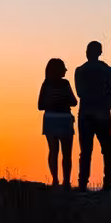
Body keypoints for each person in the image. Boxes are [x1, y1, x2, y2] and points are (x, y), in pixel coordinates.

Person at [74, 41, 111, 191]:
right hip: (102, 114)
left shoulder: (80, 71)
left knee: (86, 151)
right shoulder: (108, 70)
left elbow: (80, 93)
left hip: (86, 115)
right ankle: (107, 183)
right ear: (100, 53)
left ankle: (83, 183)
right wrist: (108, 102)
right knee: (107, 150)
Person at [38, 58, 78, 188]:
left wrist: (52, 103)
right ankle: (66, 182)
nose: (66, 70)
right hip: (64, 118)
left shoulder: (46, 84)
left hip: (50, 119)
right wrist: (62, 102)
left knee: (53, 151)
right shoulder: (65, 84)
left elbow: (40, 105)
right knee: (67, 153)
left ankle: (55, 180)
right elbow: (74, 101)